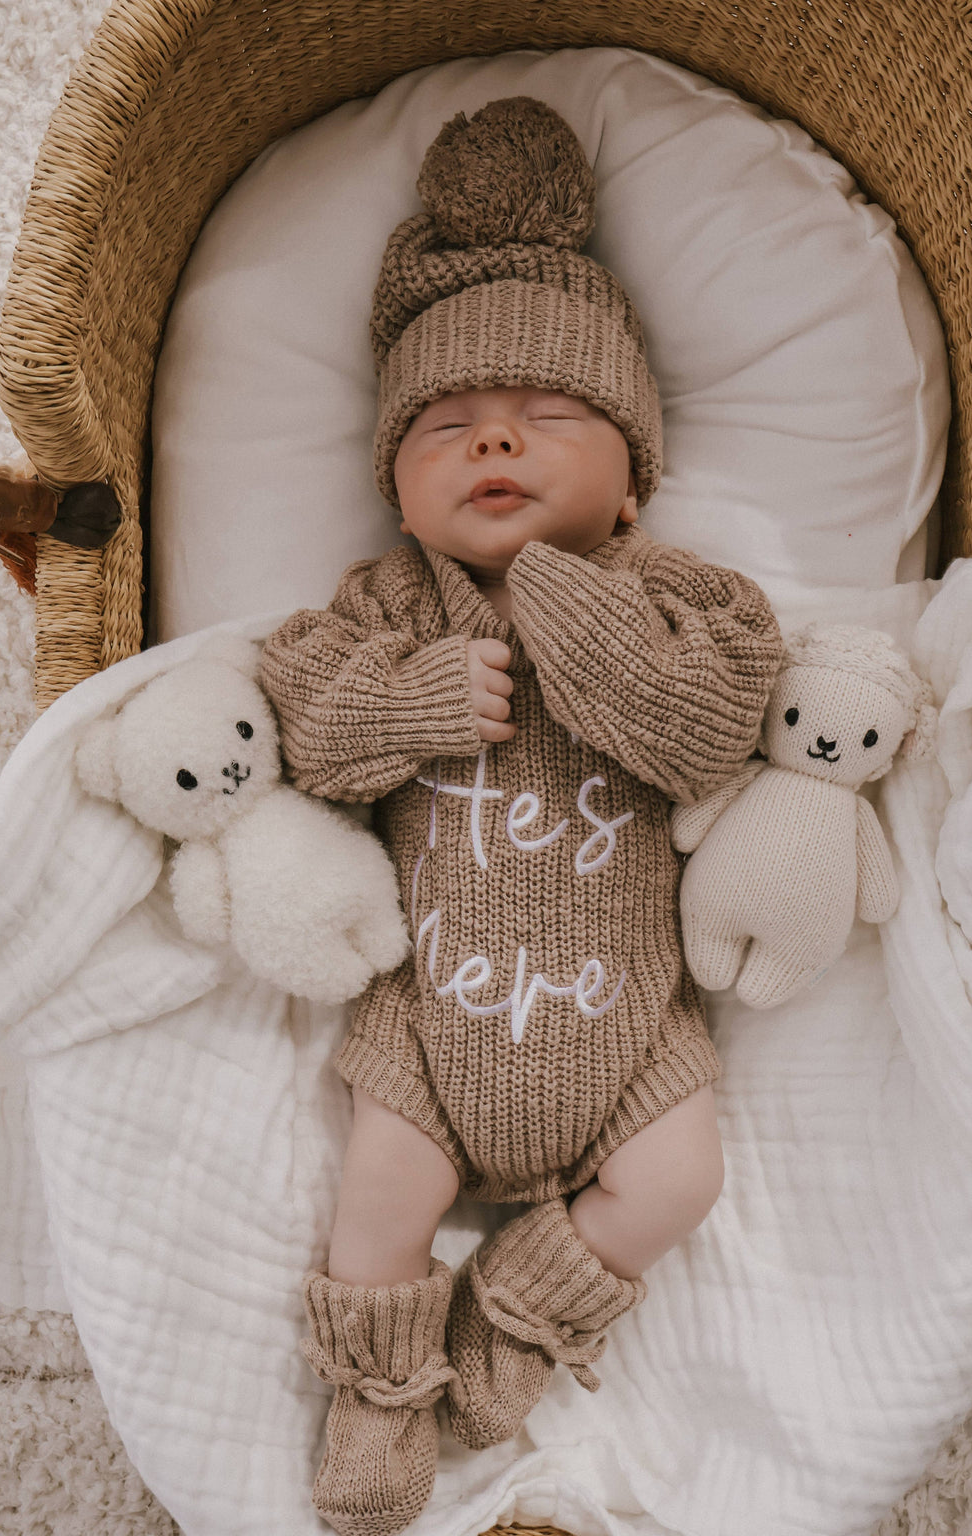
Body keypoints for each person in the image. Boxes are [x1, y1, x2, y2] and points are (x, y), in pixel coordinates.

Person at [261, 96, 783, 1536]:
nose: (495, 436)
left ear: (632, 474)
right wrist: (421, 698)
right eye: (445, 428)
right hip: (436, 1031)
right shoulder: (384, 610)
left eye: (549, 417)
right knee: (380, 1201)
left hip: (629, 1034)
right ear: (398, 487)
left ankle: (518, 1320)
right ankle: (379, 1392)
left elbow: (707, 726)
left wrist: (560, 588)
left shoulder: (679, 596)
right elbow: (304, 727)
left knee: (678, 1180)